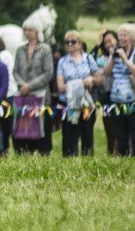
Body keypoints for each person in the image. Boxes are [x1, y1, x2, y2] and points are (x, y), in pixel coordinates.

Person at [10, 22, 54, 155]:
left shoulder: (45, 49)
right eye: (25, 30)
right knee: (22, 130)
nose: (27, 32)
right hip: (23, 97)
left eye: (30, 30)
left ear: (37, 31)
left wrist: (30, 86)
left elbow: (48, 73)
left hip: (41, 97)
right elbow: (15, 71)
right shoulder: (20, 50)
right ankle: (24, 155)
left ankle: (43, 156)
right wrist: (22, 84)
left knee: (42, 132)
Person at [106, 23, 135, 156]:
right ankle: (123, 158)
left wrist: (126, 60)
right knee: (120, 135)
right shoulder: (116, 53)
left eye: (124, 35)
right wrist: (113, 59)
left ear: (131, 37)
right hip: (117, 100)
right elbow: (106, 73)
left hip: (134, 101)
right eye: (120, 35)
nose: (121, 38)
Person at [54, 31, 97, 156]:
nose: (69, 45)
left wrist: (92, 80)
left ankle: (88, 163)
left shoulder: (89, 59)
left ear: (80, 44)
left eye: (73, 42)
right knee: (69, 138)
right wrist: (81, 82)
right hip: (69, 104)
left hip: (86, 104)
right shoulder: (62, 62)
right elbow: (60, 86)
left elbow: (98, 78)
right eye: (67, 42)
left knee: (87, 136)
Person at [91, 29, 120, 154]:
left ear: (117, 40)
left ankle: (126, 153)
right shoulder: (100, 60)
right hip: (107, 97)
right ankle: (112, 153)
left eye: (110, 40)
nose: (108, 44)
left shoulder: (124, 54)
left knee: (124, 130)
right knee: (110, 130)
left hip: (122, 97)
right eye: (105, 42)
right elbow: (89, 60)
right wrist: (97, 45)